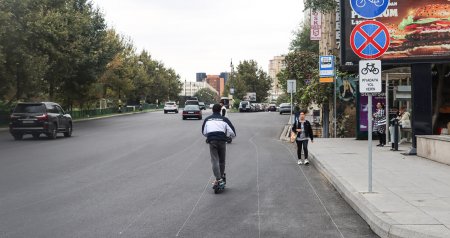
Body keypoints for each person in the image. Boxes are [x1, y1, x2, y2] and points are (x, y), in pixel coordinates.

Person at [202, 104, 236, 186]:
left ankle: (218, 178)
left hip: (212, 141)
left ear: (212, 110)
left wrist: (210, 136)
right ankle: (220, 177)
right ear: (220, 110)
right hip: (222, 141)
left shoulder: (207, 119)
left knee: (214, 160)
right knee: (221, 160)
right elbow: (233, 133)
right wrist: (229, 137)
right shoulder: (224, 119)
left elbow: (204, 132)